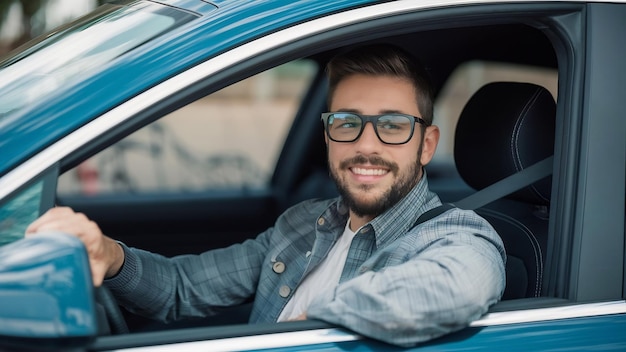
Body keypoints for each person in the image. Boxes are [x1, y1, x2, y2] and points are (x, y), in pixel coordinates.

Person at [26, 44, 506, 347]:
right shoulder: (303, 224)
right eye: (347, 123)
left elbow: (451, 289)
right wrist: (109, 256)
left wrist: (312, 319)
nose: (365, 144)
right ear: (328, 135)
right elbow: (181, 288)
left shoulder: (456, 235)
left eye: (393, 125)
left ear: (426, 145)